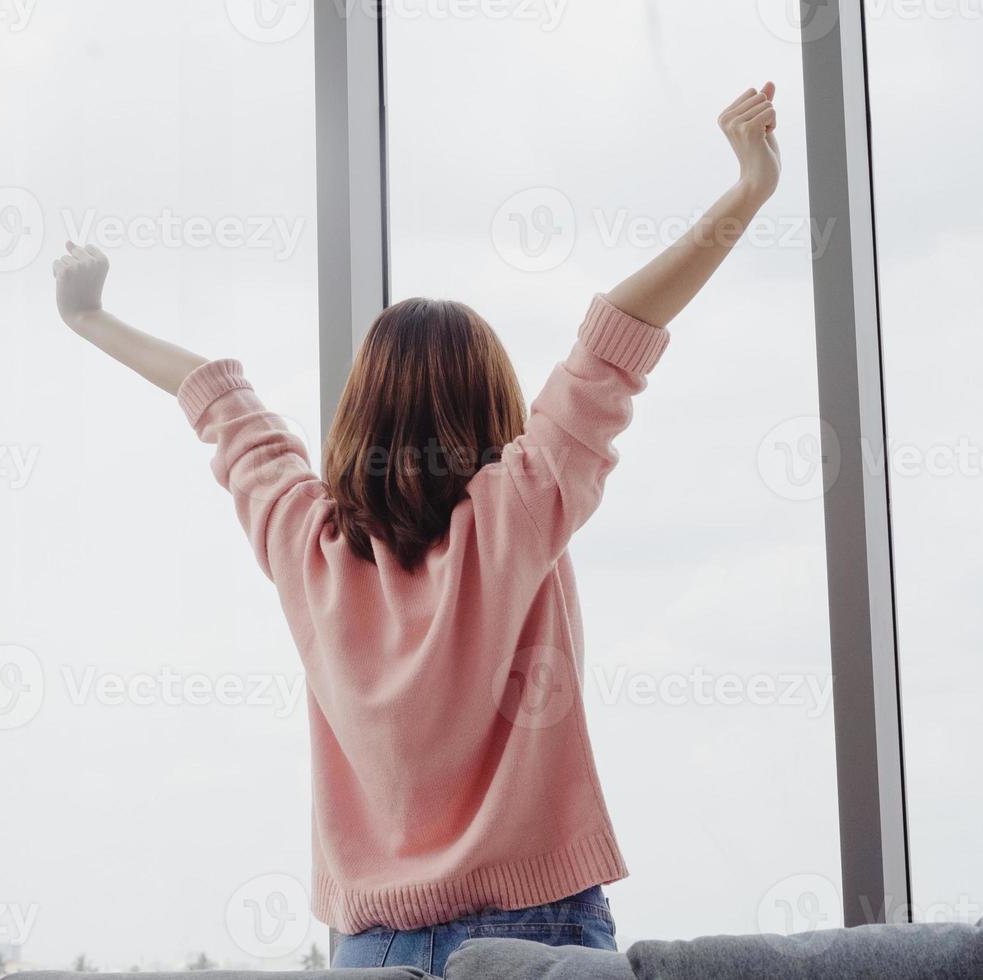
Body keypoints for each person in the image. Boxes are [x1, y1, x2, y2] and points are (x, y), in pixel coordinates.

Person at [51, 83, 782, 976]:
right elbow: (615, 338)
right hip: (539, 935)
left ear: (359, 410)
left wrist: (89, 319)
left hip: (374, 948)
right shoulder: (521, 512)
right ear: (497, 408)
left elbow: (216, 397)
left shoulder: (301, 540)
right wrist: (747, 192)